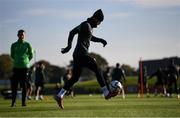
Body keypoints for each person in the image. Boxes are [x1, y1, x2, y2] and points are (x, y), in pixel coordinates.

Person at [55, 9, 118, 109]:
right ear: (95, 18)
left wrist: (100, 40)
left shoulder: (88, 26)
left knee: (75, 78)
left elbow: (90, 37)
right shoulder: (85, 25)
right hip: (81, 54)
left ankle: (59, 95)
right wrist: (69, 46)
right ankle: (106, 92)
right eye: (99, 22)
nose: (99, 24)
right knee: (97, 69)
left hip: (77, 55)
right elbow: (72, 32)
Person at [10, 29, 33, 107]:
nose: (21, 36)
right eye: (20, 34)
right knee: (14, 85)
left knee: (24, 85)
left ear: (24, 36)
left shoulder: (27, 44)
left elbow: (31, 55)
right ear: (17, 35)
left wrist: (26, 61)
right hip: (16, 67)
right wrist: (17, 60)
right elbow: (12, 55)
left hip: (25, 67)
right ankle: (13, 102)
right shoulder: (14, 45)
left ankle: (23, 102)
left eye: (22, 34)